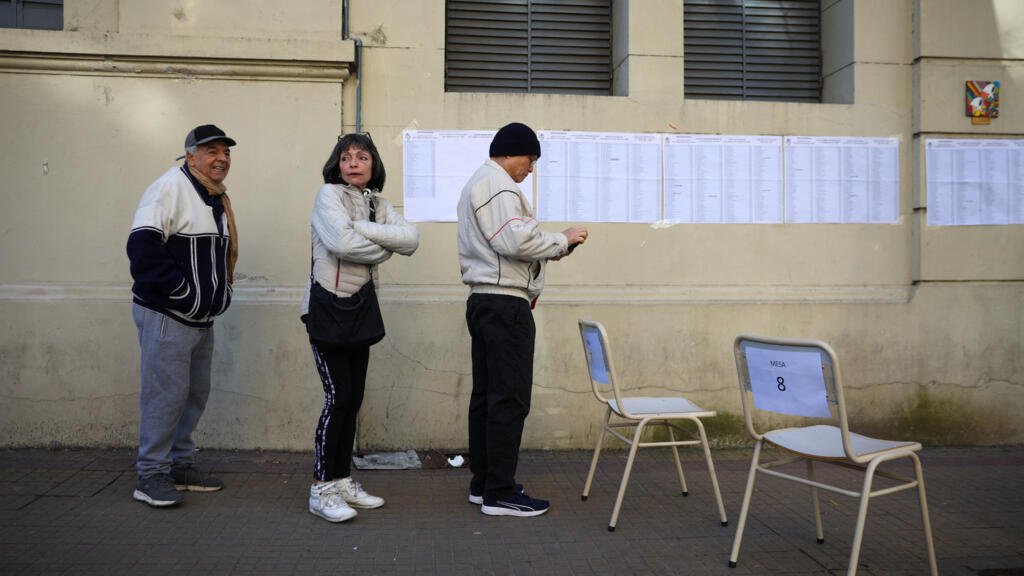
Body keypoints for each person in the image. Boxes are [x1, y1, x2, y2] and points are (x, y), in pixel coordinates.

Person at [457, 122, 589, 517]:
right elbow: (513, 240)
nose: (530, 168)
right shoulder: (498, 185)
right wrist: (562, 239)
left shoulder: (481, 183)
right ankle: (499, 492)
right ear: (510, 153)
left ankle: (484, 484)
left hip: (485, 301)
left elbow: (508, 242)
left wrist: (554, 249)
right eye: (529, 159)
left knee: (486, 397)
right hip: (503, 306)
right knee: (509, 398)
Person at [302, 133, 420, 523]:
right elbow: (340, 244)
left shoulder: (378, 203)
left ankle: (342, 480)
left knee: (352, 399)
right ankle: (321, 489)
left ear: (374, 165)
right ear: (337, 164)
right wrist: (383, 246)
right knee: (337, 399)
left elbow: (411, 239)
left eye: (362, 156)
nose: (353, 163)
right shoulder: (329, 196)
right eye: (346, 157)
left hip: (359, 310)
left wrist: (364, 229)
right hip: (326, 309)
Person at [126, 124, 239, 507]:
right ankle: (151, 474)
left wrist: (218, 297)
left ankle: (179, 465)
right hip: (167, 315)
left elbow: (219, 259)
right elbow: (142, 250)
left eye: (225, 152)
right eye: (211, 151)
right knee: (165, 396)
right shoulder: (169, 188)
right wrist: (186, 295)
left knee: (192, 395)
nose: (220, 158)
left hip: (198, 320)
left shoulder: (214, 197)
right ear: (191, 157)